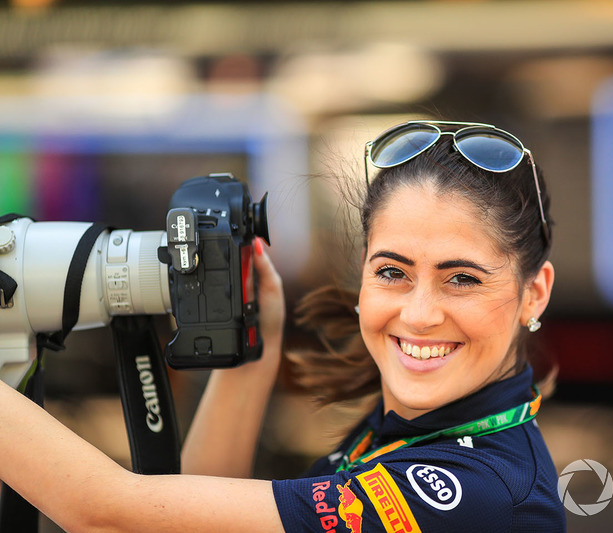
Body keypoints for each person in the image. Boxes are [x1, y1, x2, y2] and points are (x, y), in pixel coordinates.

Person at [0, 120, 565, 532]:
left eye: (461, 279)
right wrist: (254, 345)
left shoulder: (479, 492)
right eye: (392, 271)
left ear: (532, 293)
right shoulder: (419, 429)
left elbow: (112, 517)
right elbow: (184, 522)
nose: (417, 314)